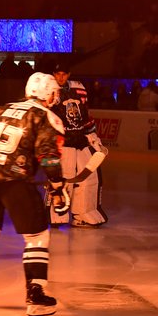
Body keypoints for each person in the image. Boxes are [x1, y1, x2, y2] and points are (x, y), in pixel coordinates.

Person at [0, 72, 70, 316]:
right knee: (37, 235)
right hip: (14, 180)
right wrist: (58, 186)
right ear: (48, 93)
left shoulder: (3, 110)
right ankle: (36, 294)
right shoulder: (46, 116)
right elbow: (48, 156)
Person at [49, 65, 108, 227]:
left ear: (69, 74)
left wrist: (92, 135)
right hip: (63, 142)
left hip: (80, 140)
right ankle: (57, 214)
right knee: (64, 176)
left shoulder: (78, 88)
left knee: (89, 175)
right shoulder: (48, 90)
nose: (61, 77)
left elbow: (84, 114)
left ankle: (84, 213)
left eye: (64, 74)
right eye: (58, 74)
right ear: (53, 74)